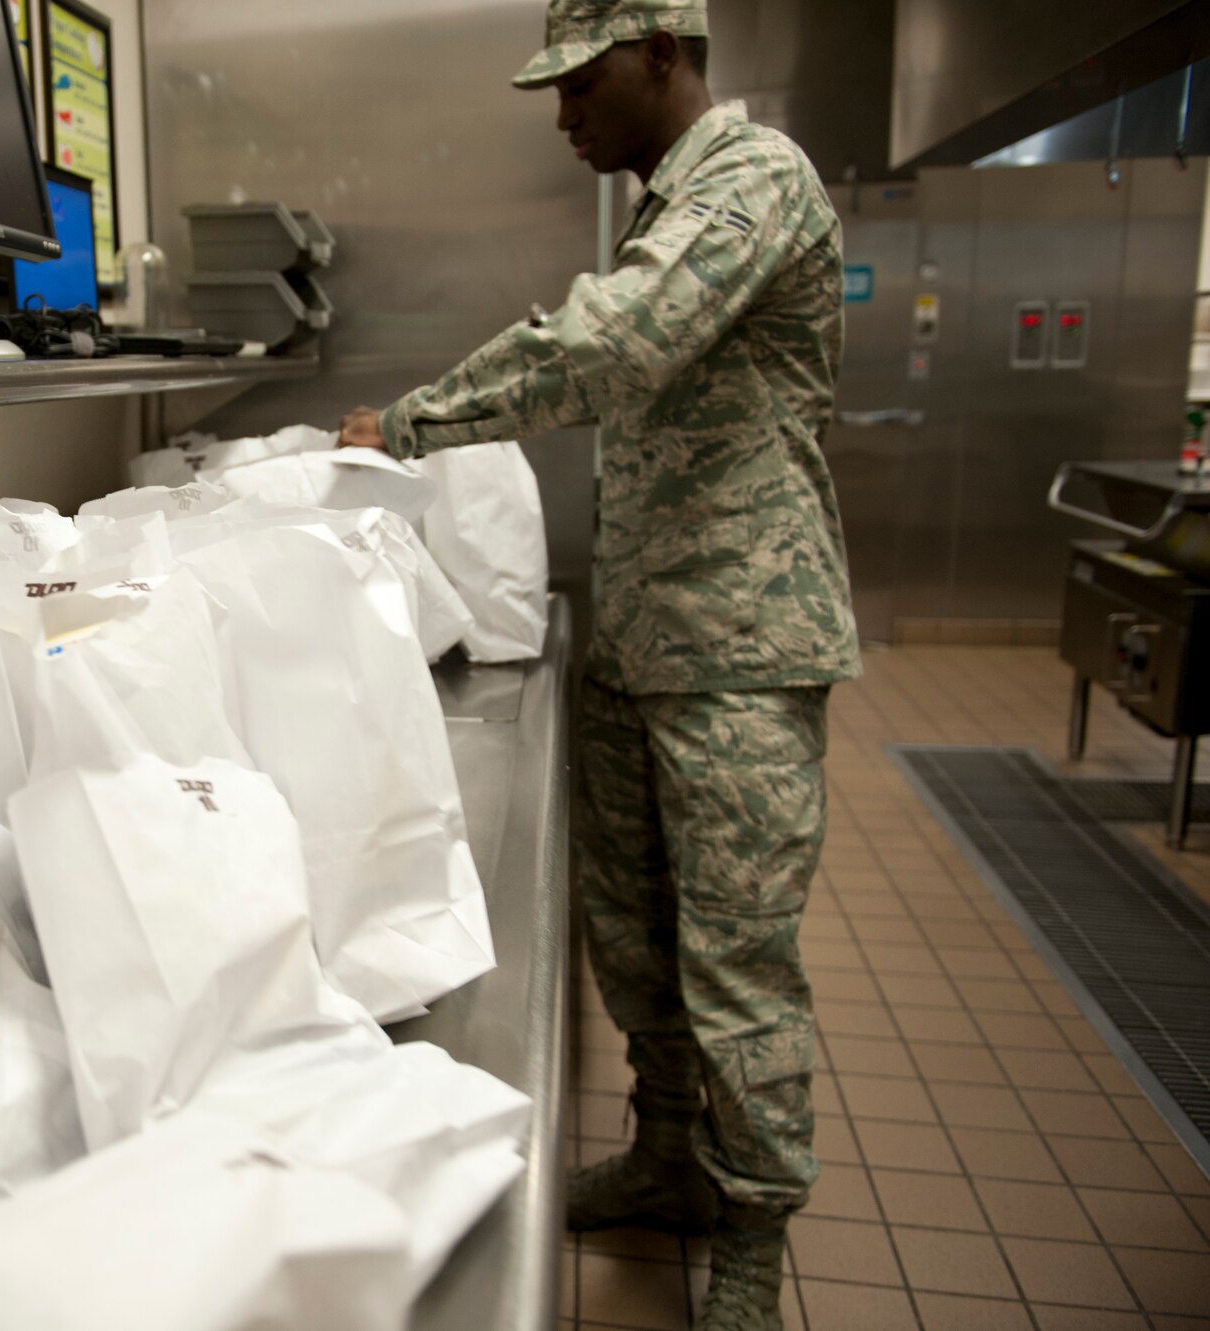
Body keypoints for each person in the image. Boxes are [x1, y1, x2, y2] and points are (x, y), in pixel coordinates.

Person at [339, 2, 858, 1327]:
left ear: (666, 55)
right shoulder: (665, 205)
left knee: (736, 961)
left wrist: (410, 421)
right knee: (637, 938)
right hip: (643, 639)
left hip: (741, 653)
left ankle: (753, 1237)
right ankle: (672, 1157)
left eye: (582, 82)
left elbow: (607, 346)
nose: (564, 113)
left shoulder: (755, 186)